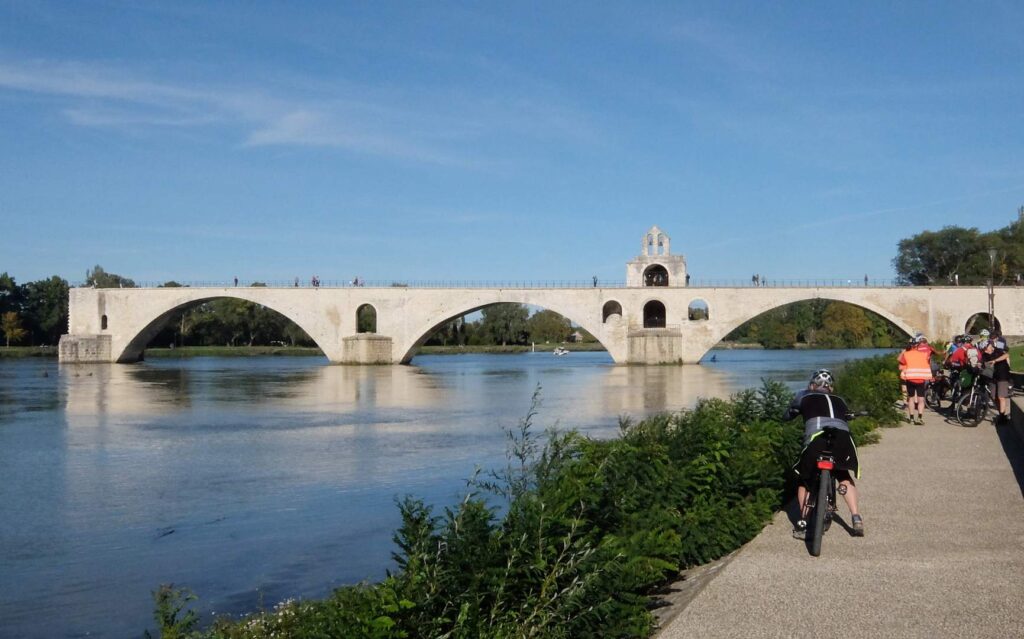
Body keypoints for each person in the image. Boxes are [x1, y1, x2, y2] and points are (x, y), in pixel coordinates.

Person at [783, 369, 864, 538]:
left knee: (804, 480)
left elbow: (788, 414)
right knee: (843, 475)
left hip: (816, 440)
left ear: (812, 385)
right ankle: (856, 518)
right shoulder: (840, 399)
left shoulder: (804, 395)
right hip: (843, 440)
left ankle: (803, 522)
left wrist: (790, 414)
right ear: (831, 389)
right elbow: (846, 415)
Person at [898, 333, 935, 424]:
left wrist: (902, 353)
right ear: (917, 345)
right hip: (920, 379)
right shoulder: (923, 355)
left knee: (910, 398)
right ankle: (920, 417)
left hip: (910, 378)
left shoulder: (906, 354)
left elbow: (900, 362)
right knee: (921, 399)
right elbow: (927, 364)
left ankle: (911, 418)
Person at [982, 337, 1012, 424]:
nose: (988, 348)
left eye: (988, 346)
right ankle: (1001, 415)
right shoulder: (984, 355)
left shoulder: (997, 351)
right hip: (992, 377)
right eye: (986, 347)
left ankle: (1002, 417)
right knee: (994, 397)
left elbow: (1007, 355)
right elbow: (983, 364)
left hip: (1002, 375)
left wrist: (995, 360)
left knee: (1001, 397)